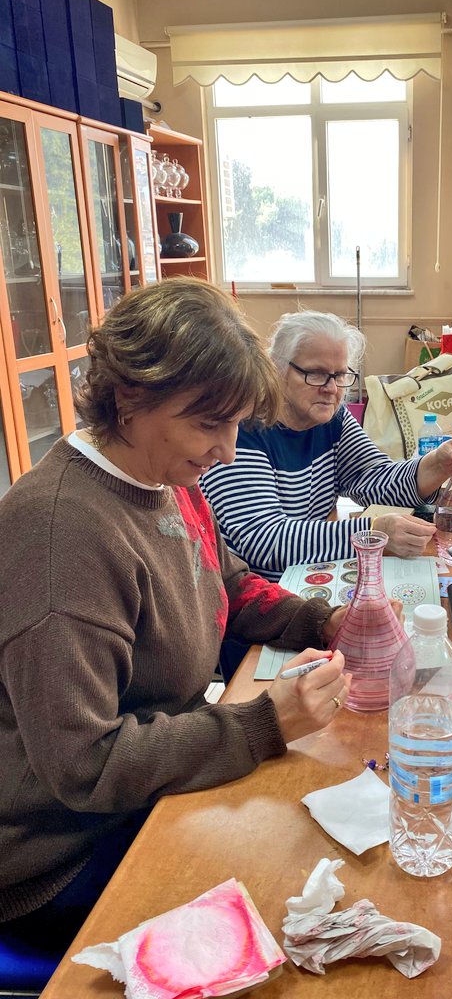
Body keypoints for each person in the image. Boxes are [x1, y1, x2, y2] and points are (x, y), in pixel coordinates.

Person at [0, 279, 353, 949]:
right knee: (292, 890)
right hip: (59, 858)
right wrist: (263, 723)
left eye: (236, 424)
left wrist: (323, 621)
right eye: (208, 423)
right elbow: (85, 765)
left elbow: (227, 582)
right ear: (129, 398)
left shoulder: (162, 477)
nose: (227, 450)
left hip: (144, 796)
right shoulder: (59, 536)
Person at [201, 310, 452, 582]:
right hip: (256, 595)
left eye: (340, 375)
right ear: (276, 369)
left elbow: (371, 478)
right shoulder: (242, 429)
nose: (331, 389)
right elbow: (264, 540)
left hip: (307, 578)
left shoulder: (331, 417)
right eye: (316, 373)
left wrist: (436, 465)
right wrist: (371, 532)